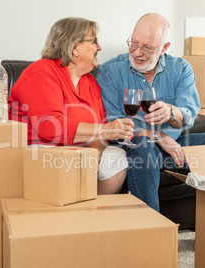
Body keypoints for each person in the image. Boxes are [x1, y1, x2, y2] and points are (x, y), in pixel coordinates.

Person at [95, 13, 205, 211]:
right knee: (144, 146)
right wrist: (159, 136)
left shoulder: (180, 69)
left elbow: (187, 116)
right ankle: (152, 228)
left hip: (173, 147)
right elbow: (114, 125)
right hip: (135, 146)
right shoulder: (110, 71)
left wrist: (172, 112)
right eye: (134, 43)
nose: (137, 52)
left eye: (147, 48)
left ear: (164, 48)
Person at [8, 17, 134, 194]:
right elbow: (49, 127)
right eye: (94, 41)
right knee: (63, 160)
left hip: (76, 151)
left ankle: (93, 212)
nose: (99, 48)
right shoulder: (42, 72)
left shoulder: (90, 82)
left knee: (117, 157)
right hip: (38, 149)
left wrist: (93, 158)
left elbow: (100, 133)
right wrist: (104, 130)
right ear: (74, 47)